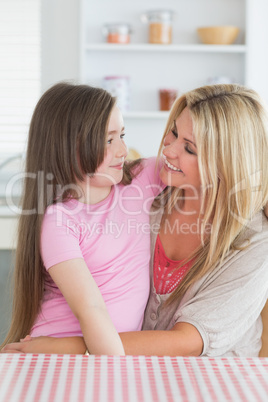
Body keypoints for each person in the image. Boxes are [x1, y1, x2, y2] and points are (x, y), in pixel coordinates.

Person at [2, 84, 268, 357]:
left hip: (216, 382)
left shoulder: (255, 239)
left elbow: (191, 339)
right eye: (174, 132)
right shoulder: (151, 191)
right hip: (126, 367)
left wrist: (70, 348)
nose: (169, 150)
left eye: (189, 148)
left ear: (226, 164)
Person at [0, 82, 163, 355]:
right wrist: (119, 371)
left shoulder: (141, 179)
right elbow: (92, 310)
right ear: (68, 147)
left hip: (101, 350)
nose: (123, 149)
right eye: (109, 140)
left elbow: (206, 163)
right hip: (63, 356)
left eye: (122, 134)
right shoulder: (60, 220)